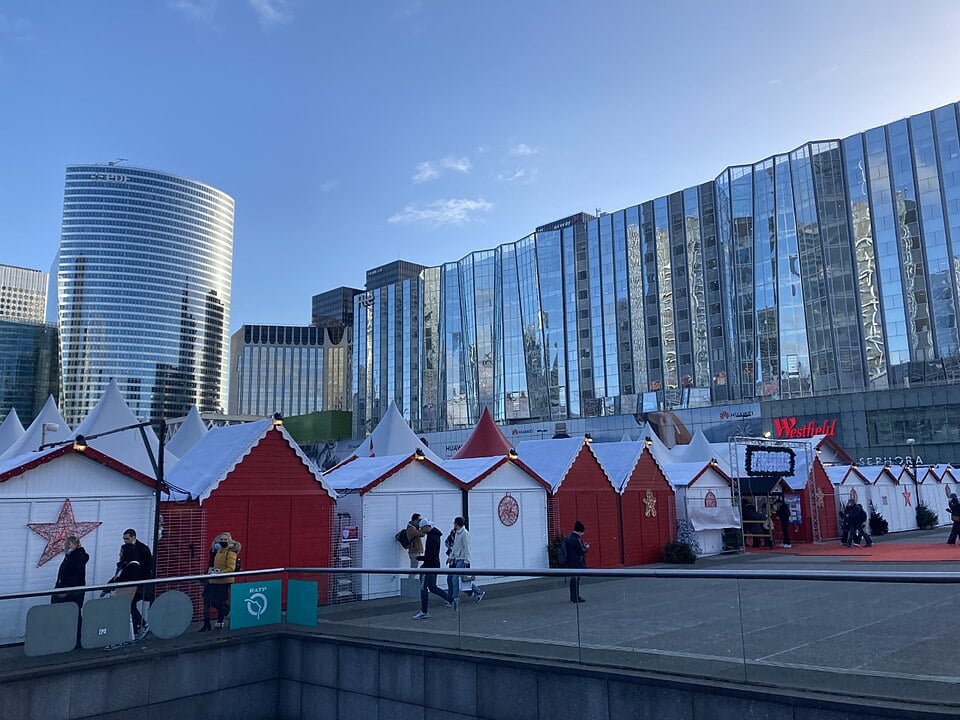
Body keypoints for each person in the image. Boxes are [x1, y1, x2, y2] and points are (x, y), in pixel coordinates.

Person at [413, 518, 456, 620]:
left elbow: (430, 554)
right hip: (435, 564)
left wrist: (420, 558)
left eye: (422, 528)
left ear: (427, 527)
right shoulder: (435, 535)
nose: (421, 530)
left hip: (428, 566)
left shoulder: (431, 538)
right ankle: (450, 600)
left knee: (423, 587)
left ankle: (424, 611)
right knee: (432, 587)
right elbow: (433, 554)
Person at [53, 536, 89, 648]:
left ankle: (77, 640)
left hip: (72, 592)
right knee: (69, 615)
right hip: (65, 589)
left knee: (74, 615)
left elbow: (76, 576)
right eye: (66, 544)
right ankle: (70, 638)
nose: (67, 546)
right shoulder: (70, 556)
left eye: (69, 544)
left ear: (76, 544)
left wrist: (67, 590)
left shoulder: (77, 557)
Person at [200, 532, 240, 631]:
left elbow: (231, 567)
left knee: (219, 601)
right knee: (208, 598)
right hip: (213, 578)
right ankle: (208, 623)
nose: (222, 541)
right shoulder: (217, 551)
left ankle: (223, 618)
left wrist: (219, 573)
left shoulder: (230, 552)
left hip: (224, 579)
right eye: (220, 539)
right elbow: (212, 565)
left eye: (224, 540)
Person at [105, 543, 145, 638]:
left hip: (130, 592)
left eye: (121, 552)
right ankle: (135, 629)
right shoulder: (123, 565)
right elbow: (116, 577)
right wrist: (108, 587)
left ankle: (139, 627)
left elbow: (126, 579)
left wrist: (114, 583)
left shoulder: (133, 566)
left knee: (130, 608)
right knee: (130, 608)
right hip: (124, 592)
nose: (119, 554)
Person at [446, 516, 485, 605]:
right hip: (458, 558)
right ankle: (478, 592)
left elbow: (467, 548)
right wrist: (451, 556)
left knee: (455, 578)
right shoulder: (457, 533)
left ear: (457, 523)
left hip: (462, 559)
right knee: (462, 579)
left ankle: (455, 598)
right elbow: (456, 547)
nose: (453, 525)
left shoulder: (464, 533)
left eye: (454, 523)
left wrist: (467, 560)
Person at [122, 529, 154, 630]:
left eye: (127, 538)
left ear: (133, 537)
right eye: (124, 539)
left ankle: (140, 624)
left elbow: (148, 565)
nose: (125, 541)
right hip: (132, 581)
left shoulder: (142, 548)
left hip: (140, 581)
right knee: (130, 603)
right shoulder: (127, 548)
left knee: (130, 603)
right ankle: (137, 625)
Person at [564, 520, 589, 603]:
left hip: (571, 561)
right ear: (579, 531)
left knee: (573, 579)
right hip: (577, 562)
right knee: (576, 580)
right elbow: (581, 551)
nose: (583, 534)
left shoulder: (569, 537)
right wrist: (586, 548)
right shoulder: (576, 539)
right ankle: (576, 597)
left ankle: (573, 596)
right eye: (582, 532)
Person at [405, 513, 426, 577]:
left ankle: (412, 582)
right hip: (414, 551)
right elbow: (422, 534)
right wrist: (422, 528)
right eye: (419, 520)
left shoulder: (414, 528)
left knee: (415, 568)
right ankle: (410, 583)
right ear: (415, 520)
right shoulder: (411, 529)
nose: (420, 522)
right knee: (414, 569)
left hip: (416, 551)